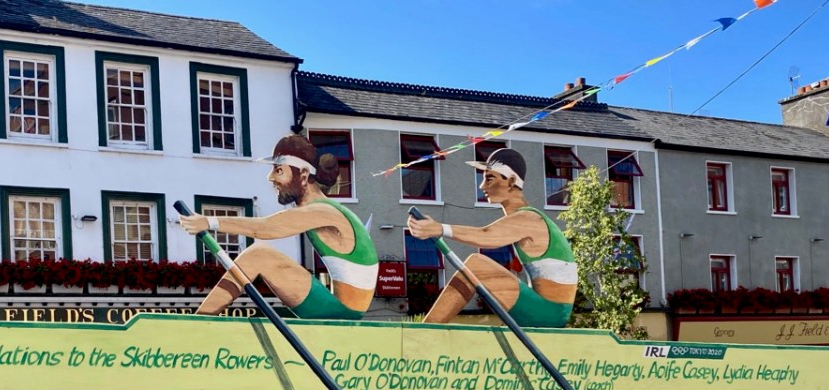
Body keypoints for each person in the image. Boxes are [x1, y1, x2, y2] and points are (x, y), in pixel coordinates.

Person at [179, 134, 377, 320]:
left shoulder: (323, 211)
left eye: (279, 170)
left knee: (259, 255)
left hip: (342, 311)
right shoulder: (327, 209)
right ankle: (201, 320)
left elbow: (266, 228)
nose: (270, 177)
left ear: (304, 174)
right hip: (341, 305)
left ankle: (199, 322)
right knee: (260, 256)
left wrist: (208, 222)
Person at [407, 147, 576, 327]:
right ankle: (429, 328)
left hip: (551, 314)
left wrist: (439, 228)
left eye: (489, 179)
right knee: (476, 267)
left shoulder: (529, 218)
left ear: (511, 181)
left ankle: (427, 330)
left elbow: (486, 236)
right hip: (545, 308)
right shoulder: (524, 217)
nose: (482, 186)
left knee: (476, 265)